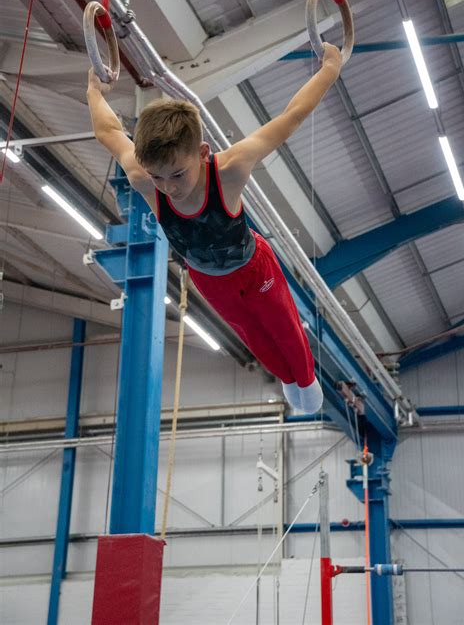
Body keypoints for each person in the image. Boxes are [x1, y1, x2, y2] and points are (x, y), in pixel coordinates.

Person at [87, 42, 342, 412]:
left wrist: (330, 68)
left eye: (177, 173)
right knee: (255, 338)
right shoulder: (144, 179)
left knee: (284, 329)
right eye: (158, 177)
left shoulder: (230, 169)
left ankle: (305, 378)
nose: (169, 186)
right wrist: (94, 89)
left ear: (203, 154)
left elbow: (292, 116)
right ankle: (290, 381)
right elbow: (107, 131)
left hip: (254, 270)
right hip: (207, 279)